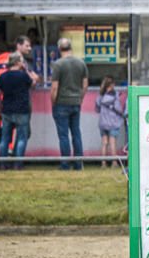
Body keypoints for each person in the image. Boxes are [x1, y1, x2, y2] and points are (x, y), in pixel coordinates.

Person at [0, 35, 40, 149]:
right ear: (18, 45)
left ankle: (4, 161)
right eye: (27, 46)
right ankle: (16, 161)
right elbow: (34, 81)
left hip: (5, 104)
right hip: (21, 103)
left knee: (5, 135)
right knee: (23, 134)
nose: (30, 48)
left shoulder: (2, 62)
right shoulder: (21, 63)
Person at [50, 37, 89, 171]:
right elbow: (85, 84)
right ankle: (78, 164)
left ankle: (65, 164)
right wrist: (80, 98)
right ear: (71, 48)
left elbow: (54, 87)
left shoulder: (58, 64)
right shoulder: (81, 63)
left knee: (63, 135)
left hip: (61, 102)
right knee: (76, 134)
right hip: (76, 103)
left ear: (59, 49)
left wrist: (53, 103)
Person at [0, 52, 33, 170]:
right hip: (22, 111)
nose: (23, 63)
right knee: (21, 138)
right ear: (17, 62)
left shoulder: (3, 76)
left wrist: (0, 109)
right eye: (21, 61)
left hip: (7, 110)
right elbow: (33, 83)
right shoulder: (23, 76)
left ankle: (3, 164)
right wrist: (26, 70)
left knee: (5, 138)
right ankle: (18, 164)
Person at [95, 76, 124, 168]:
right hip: (113, 122)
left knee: (104, 142)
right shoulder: (115, 95)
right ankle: (114, 162)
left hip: (103, 122)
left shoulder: (100, 96)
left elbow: (97, 109)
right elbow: (118, 108)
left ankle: (103, 163)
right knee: (112, 142)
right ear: (112, 85)